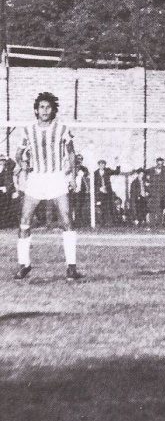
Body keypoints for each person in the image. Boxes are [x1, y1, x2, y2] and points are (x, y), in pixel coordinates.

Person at [12, 92, 80, 282]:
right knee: (25, 221)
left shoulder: (62, 129)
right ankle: (24, 265)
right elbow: (18, 154)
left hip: (57, 177)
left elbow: (72, 155)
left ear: (53, 110)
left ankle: (71, 268)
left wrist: (73, 177)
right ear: (36, 110)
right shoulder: (28, 130)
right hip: (36, 178)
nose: (45, 110)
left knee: (67, 219)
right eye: (41, 107)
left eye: (48, 107)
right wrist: (23, 163)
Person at [94, 159, 121, 227]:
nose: (102, 166)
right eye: (100, 164)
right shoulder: (95, 173)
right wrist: (99, 189)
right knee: (101, 207)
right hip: (99, 194)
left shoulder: (107, 171)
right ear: (98, 165)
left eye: (103, 164)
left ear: (105, 165)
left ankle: (109, 223)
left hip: (107, 192)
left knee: (109, 207)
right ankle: (101, 223)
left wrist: (117, 164)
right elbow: (94, 184)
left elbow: (117, 172)